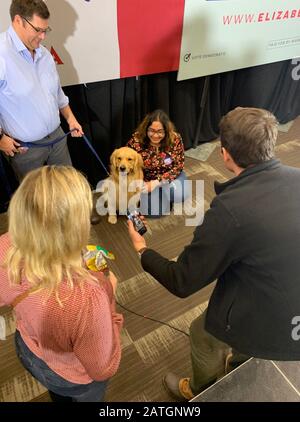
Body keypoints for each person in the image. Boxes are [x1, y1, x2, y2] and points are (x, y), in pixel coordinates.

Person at [128, 107, 300, 400]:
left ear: (224, 155)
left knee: (202, 335)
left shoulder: (230, 210)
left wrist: (142, 249)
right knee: (242, 350)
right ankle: (239, 366)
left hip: (267, 313)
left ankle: (202, 391)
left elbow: (182, 280)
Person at [0, 166, 123, 402]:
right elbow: (102, 369)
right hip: (71, 376)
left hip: (26, 348)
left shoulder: (4, 246)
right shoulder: (88, 297)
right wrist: (111, 306)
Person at [0, 0, 83, 181]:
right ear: (18, 21)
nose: (43, 36)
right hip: (26, 150)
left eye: (46, 30)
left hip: (57, 139)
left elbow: (57, 94)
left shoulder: (44, 54)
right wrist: (0, 138)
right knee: (37, 203)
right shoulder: (2, 55)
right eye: (38, 30)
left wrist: (70, 118)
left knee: (67, 189)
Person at [127, 109, 190, 216]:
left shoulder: (175, 138)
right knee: (154, 213)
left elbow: (179, 165)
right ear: (146, 129)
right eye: (151, 130)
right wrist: (139, 182)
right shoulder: (136, 139)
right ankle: (159, 196)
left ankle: (163, 193)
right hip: (146, 180)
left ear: (166, 131)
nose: (155, 135)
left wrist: (157, 182)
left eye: (160, 132)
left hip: (169, 177)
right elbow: (128, 163)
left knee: (179, 195)